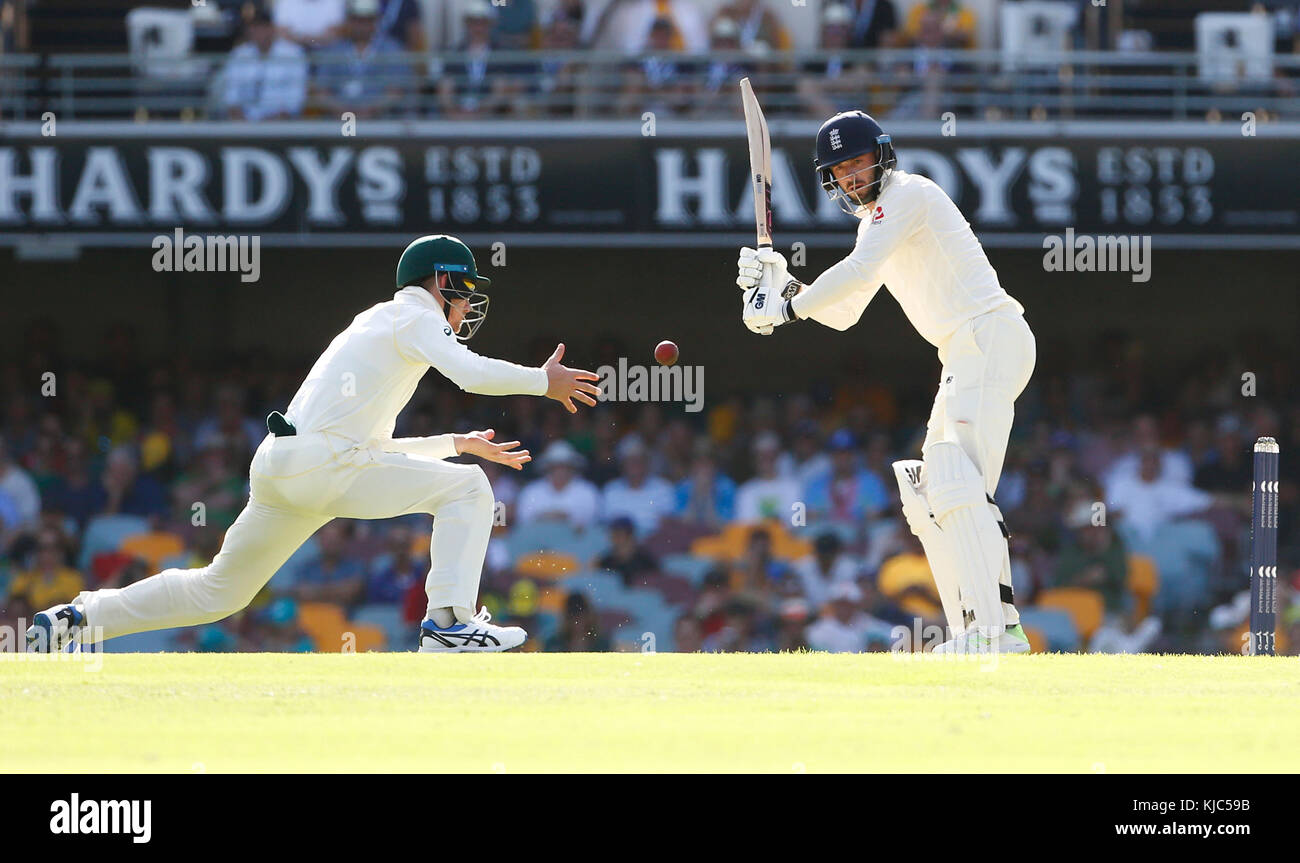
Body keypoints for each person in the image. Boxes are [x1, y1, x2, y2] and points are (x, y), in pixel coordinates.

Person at [27, 234, 600, 654]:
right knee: (470, 491)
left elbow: (371, 449)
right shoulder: (416, 316)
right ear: (441, 282)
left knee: (218, 592)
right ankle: (449, 624)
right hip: (323, 464)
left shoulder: (381, 325)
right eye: (464, 291)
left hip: (286, 464)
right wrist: (541, 382)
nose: (467, 306)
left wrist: (455, 442)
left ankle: (81, 617)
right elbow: (470, 374)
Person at [737, 111, 1036, 655]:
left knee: (958, 481)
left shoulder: (908, 196)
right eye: (839, 169)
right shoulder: (875, 220)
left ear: (882, 154)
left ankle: (996, 633)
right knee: (930, 488)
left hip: (988, 337)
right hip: (964, 352)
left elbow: (851, 273)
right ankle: (983, 628)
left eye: (857, 161)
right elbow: (847, 310)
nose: (850, 176)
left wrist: (784, 308)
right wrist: (786, 284)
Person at [220, 6, 308, 121]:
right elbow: (231, 96)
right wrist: (244, 126)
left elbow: (295, 100)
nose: (258, 31)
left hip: (281, 126)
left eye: (262, 26)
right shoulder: (239, 54)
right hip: (243, 126)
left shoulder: (293, 54)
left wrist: (269, 125)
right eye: (254, 27)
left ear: (272, 28)